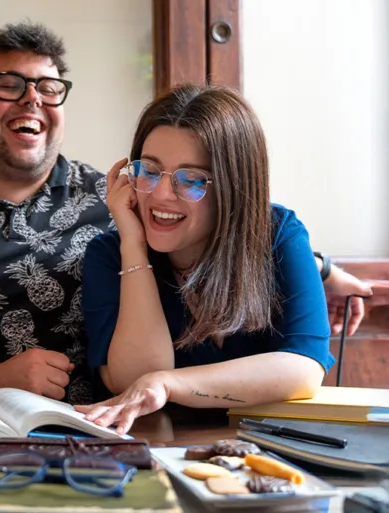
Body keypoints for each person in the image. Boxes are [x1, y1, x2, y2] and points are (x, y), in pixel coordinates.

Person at [0, 22, 370, 406]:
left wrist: (323, 269)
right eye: (9, 85)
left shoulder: (111, 196)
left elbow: (226, 223)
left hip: (92, 422)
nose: (32, 100)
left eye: (48, 88)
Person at [74, 84, 356, 435]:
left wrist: (169, 384)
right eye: (149, 170)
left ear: (234, 187)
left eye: (191, 179)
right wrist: (133, 244)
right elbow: (134, 381)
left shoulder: (277, 233)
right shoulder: (108, 254)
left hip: (263, 450)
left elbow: (303, 369)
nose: (161, 194)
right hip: (154, 448)